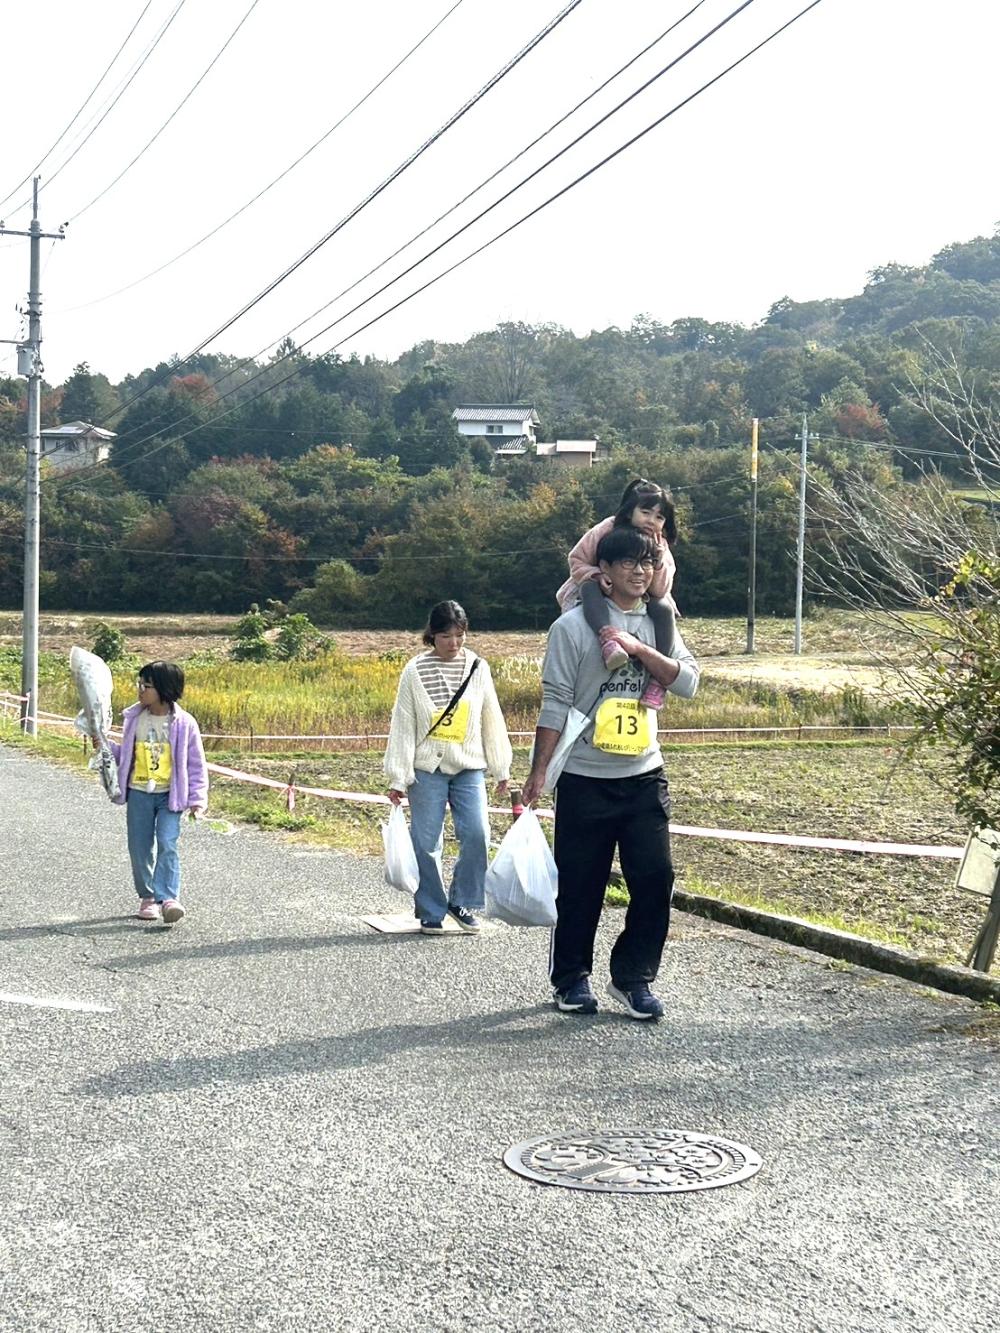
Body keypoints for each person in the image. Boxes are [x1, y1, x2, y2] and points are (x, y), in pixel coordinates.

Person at [522, 525, 700, 1020]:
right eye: (628, 564)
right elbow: (555, 702)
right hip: (584, 776)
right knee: (581, 884)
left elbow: (688, 681)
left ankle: (633, 976)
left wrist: (640, 650)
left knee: (655, 878)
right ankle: (572, 977)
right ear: (604, 573)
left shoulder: (661, 623)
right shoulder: (572, 628)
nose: (640, 572)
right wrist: (539, 773)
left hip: (644, 775)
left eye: (647, 563)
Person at [384, 600, 513, 935]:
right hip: (427, 767)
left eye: (459, 635)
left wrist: (501, 768)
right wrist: (398, 777)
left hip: (468, 765)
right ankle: (430, 908)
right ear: (432, 636)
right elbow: (403, 724)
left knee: (477, 834)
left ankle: (463, 900)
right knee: (425, 841)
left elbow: (491, 718)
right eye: (445, 636)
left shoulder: (477, 667)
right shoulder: (414, 671)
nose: (454, 643)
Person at [556, 478, 678, 711]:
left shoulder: (660, 544)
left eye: (659, 517)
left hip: (640, 595)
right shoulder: (607, 528)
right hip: (596, 584)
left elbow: (661, 589)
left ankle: (658, 680)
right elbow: (576, 558)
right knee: (589, 587)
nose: (651, 521)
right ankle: (607, 639)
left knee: (663, 608)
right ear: (629, 511)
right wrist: (595, 573)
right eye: (645, 512)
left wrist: (659, 561)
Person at [108, 661, 208, 925]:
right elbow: (124, 755)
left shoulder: (184, 723)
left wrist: (197, 799)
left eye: (147, 686)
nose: (140, 690)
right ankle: (148, 897)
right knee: (139, 847)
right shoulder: (134, 718)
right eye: (139, 684)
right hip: (138, 792)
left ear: (165, 689)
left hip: (170, 797)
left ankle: (169, 898)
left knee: (167, 843)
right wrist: (104, 746)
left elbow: (195, 764)